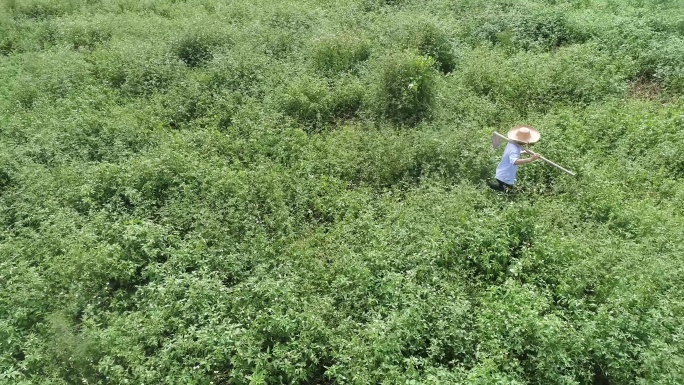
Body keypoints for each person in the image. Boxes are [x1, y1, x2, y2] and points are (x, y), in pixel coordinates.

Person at [489, 126, 541, 192]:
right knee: (508, 191)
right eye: (526, 141)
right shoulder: (514, 149)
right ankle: (488, 184)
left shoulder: (512, 142)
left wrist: (522, 152)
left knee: (507, 190)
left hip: (503, 172)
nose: (527, 142)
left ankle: (490, 185)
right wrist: (531, 159)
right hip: (505, 176)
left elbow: (510, 154)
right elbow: (515, 161)